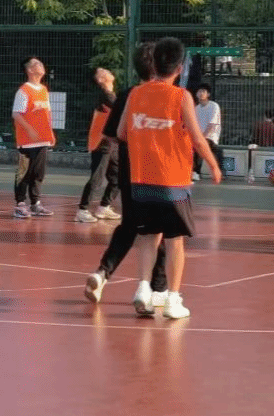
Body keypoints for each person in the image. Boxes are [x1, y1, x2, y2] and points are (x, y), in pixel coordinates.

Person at [120, 37, 221, 320]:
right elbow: (198, 139)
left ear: (153, 64)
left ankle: (143, 289)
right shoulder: (181, 97)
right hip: (172, 180)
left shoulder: (135, 94)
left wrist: (147, 133)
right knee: (175, 241)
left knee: (148, 236)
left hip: (141, 179)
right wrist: (213, 165)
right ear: (179, 68)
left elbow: (121, 132)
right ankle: (173, 300)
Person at [83, 43, 168, 309]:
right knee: (159, 229)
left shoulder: (127, 95)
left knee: (130, 226)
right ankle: (157, 289)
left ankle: (102, 273)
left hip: (131, 168)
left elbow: (112, 134)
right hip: (159, 171)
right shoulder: (171, 96)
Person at [75, 67, 121, 223]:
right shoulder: (105, 96)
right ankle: (82, 210)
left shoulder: (110, 95)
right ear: (101, 79)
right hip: (102, 143)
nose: (108, 71)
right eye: (103, 71)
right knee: (97, 178)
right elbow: (122, 110)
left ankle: (104, 207)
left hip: (111, 143)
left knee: (118, 176)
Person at [12, 55, 55, 219]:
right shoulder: (24, 91)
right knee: (24, 173)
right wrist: (29, 130)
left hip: (42, 139)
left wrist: (51, 133)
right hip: (27, 141)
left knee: (38, 173)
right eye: (37, 64)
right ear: (29, 70)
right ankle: (20, 204)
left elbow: (47, 113)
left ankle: (35, 203)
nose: (41, 65)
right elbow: (16, 114)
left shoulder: (43, 90)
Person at [191, 83, 224, 181]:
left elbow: (212, 124)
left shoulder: (214, 106)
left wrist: (202, 138)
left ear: (208, 94)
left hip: (211, 136)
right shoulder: (196, 108)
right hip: (199, 136)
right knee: (212, 151)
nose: (201, 93)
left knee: (200, 148)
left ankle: (196, 172)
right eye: (199, 91)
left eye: (203, 91)